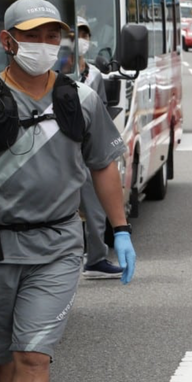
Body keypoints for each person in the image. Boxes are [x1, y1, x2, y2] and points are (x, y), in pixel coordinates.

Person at [0, 0, 135, 382]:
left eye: (53, 36)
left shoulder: (81, 99)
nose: (45, 45)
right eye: (34, 35)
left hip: (56, 246)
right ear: (8, 41)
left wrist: (120, 230)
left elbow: (103, 168)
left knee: (32, 354)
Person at [73, 20, 123, 280]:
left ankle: (96, 258)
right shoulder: (55, 73)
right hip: (62, 153)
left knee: (94, 208)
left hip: (87, 153)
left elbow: (101, 111)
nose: (81, 39)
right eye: (76, 34)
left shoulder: (93, 75)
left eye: (85, 34)